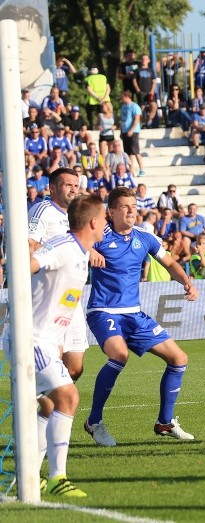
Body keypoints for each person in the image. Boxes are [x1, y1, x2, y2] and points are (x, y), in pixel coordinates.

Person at [83, 187, 199, 447]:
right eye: (124, 206)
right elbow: (75, 241)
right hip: (103, 311)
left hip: (133, 314)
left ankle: (165, 423)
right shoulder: (99, 235)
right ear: (111, 212)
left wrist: (187, 282)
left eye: (133, 205)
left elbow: (168, 262)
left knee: (179, 358)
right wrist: (88, 250)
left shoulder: (145, 237)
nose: (131, 210)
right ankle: (94, 421)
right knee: (119, 355)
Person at [16, 194, 106, 497]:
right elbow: (29, 263)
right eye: (104, 218)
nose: (106, 223)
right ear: (93, 222)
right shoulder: (64, 247)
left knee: (51, 403)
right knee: (68, 396)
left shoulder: (81, 251)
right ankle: (57, 477)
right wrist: (19, 260)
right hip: (31, 338)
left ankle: (29, 473)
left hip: (47, 340)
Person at [27, 168, 89, 383]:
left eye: (76, 184)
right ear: (52, 188)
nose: (73, 189)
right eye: (67, 184)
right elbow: (30, 244)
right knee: (53, 362)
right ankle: (42, 411)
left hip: (72, 298)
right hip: (49, 298)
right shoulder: (42, 210)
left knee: (75, 368)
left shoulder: (77, 215)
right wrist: (61, 254)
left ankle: (53, 407)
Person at [0, 4, 52, 104]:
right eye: (10, 40)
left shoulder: (49, 90)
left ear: (42, 43)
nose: (17, 48)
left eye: (25, 40)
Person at [119, 91, 144, 176]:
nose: (121, 99)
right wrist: (121, 131)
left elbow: (137, 119)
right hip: (125, 131)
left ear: (127, 96)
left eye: (122, 97)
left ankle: (141, 169)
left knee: (136, 150)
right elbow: (122, 120)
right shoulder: (123, 107)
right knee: (128, 152)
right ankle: (131, 169)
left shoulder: (134, 106)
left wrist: (132, 130)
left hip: (133, 131)